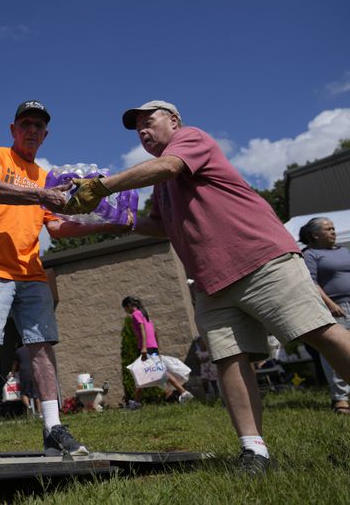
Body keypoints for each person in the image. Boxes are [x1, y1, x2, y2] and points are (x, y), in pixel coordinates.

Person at [63, 100, 350, 475]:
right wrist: (98, 222)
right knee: (230, 359)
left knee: (320, 332)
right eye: (138, 130)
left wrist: (100, 186)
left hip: (259, 258)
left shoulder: (190, 140)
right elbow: (158, 225)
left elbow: (168, 165)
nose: (144, 132)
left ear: (174, 120)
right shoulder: (163, 188)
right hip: (211, 281)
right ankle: (254, 450)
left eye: (149, 122)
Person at [0, 100, 130, 460]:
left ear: (45, 135)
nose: (32, 130)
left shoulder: (47, 176)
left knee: (42, 345)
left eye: (39, 126)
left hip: (31, 270)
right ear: (13, 130)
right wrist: (39, 194)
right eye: (26, 123)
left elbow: (57, 228)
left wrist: (112, 225)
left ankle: (53, 429)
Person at [299, 217, 350, 414]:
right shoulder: (311, 254)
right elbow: (310, 282)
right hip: (335, 308)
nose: (333, 232)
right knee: (336, 350)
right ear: (314, 235)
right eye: (328, 229)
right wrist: (330, 304)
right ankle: (340, 399)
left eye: (334, 228)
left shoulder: (343, 251)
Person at [121, 296, 194, 408]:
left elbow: (142, 330)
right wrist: (157, 348)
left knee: (142, 372)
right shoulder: (145, 315)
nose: (126, 311)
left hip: (146, 348)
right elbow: (155, 332)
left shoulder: (136, 314)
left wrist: (144, 348)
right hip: (152, 347)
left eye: (125, 308)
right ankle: (137, 402)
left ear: (129, 306)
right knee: (147, 372)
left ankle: (183, 392)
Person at [11, 344, 42, 418]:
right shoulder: (34, 349)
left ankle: (28, 406)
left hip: (24, 373)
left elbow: (15, 363)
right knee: (37, 393)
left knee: (24, 393)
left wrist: (12, 372)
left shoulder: (18, 351)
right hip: (34, 371)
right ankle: (39, 413)